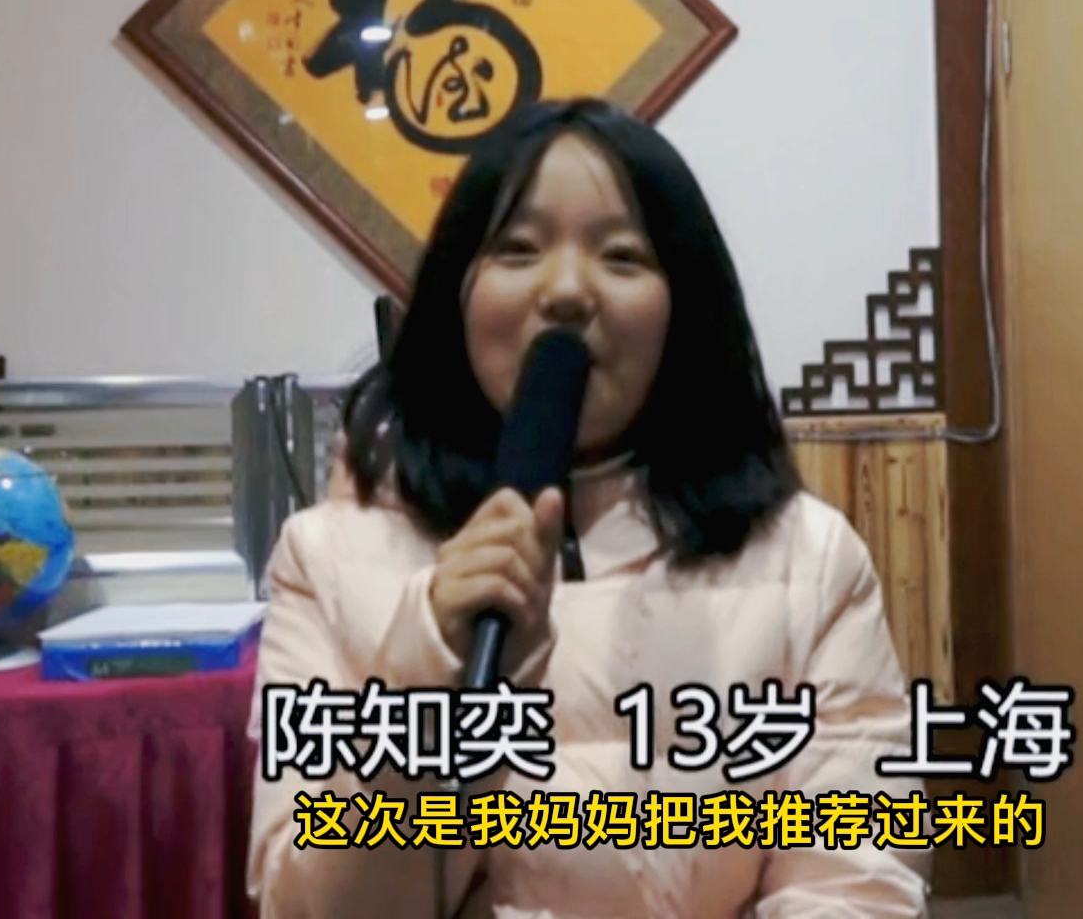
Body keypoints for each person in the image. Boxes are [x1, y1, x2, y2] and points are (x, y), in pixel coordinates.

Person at [246, 98, 931, 917]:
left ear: (683, 308)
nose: (568, 290)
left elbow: (854, 886)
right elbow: (307, 908)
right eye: (518, 248)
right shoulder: (321, 561)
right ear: (457, 294)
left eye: (622, 255)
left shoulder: (811, 561)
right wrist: (428, 678)